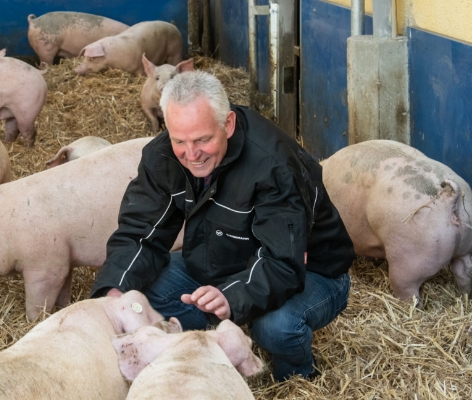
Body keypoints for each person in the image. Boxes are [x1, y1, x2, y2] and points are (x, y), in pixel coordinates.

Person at [91, 71, 355, 381]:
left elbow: (283, 261)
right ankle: (196, 353)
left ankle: (296, 376)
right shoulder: (162, 156)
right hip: (222, 251)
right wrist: (114, 296)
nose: (192, 155)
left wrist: (231, 296)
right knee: (143, 295)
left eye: (203, 139)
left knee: (273, 327)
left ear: (227, 124)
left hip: (310, 270)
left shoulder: (275, 166)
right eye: (180, 140)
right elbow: (140, 233)